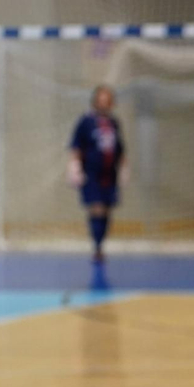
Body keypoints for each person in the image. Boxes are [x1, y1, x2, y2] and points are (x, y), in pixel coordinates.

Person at [69, 84, 125, 264]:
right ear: (95, 101)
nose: (104, 104)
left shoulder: (114, 123)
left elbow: (120, 149)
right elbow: (76, 146)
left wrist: (124, 168)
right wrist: (75, 166)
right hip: (92, 174)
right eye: (101, 100)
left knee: (107, 210)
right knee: (97, 208)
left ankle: (101, 244)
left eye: (108, 100)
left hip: (110, 174)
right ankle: (97, 247)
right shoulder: (86, 121)